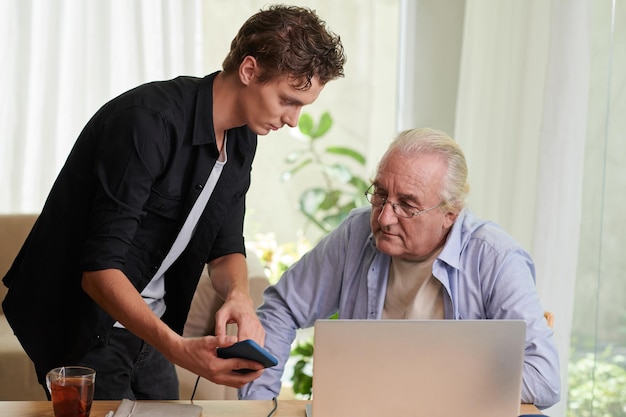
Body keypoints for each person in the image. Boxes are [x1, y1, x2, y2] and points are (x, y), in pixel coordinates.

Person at [2, 4, 346, 400]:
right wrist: (180, 350)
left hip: (148, 328)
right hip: (86, 328)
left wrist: (238, 296)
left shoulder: (243, 138)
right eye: (288, 100)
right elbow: (99, 270)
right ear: (249, 71)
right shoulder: (146, 122)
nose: (293, 120)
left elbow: (225, 244)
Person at [239, 128, 561, 409]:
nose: (384, 218)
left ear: (450, 212)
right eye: (380, 194)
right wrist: (260, 407)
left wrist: (435, 390)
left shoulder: (495, 258)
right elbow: (282, 308)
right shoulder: (356, 234)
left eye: (407, 205)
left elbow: (544, 377)